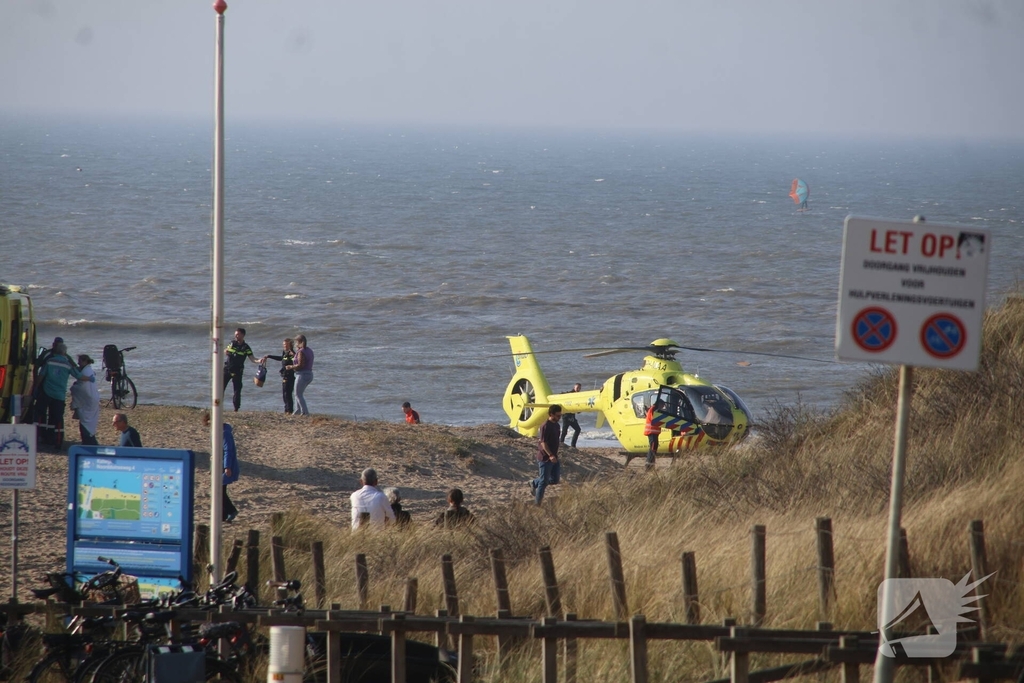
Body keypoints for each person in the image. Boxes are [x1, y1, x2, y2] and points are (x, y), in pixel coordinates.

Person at [34, 341, 90, 448]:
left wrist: (36, 387)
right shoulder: (67, 364)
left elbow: (41, 375)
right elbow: (78, 376)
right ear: (64, 353)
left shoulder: (50, 361)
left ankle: (38, 437)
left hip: (46, 392)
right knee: (58, 418)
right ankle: (58, 441)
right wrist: (90, 379)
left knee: (40, 414)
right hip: (59, 395)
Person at [203, 412, 239, 522]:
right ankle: (223, 515)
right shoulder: (216, 432)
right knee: (219, 490)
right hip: (218, 465)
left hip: (224, 466)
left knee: (219, 491)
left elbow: (228, 451)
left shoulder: (224, 433)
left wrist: (227, 467)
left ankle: (231, 511)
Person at [530, 404, 561, 505]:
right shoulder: (545, 425)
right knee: (543, 482)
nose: (559, 418)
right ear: (551, 414)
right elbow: (543, 442)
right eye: (557, 416)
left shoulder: (557, 425)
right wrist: (550, 455)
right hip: (545, 457)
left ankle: (534, 482)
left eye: (560, 416)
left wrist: (555, 455)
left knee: (555, 479)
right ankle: (537, 505)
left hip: (554, 456)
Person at [223, 328, 259, 412]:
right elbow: (226, 350)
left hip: (237, 371)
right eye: (235, 334)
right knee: (221, 388)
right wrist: (226, 351)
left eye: (238, 334)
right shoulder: (232, 343)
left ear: (243, 335)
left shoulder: (246, 347)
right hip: (227, 369)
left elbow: (252, 359)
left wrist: (259, 361)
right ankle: (218, 406)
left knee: (237, 390)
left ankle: (236, 408)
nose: (236, 336)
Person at [69, 354, 101, 446]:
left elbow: (83, 388)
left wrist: (73, 387)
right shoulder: (87, 370)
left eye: (80, 361)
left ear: (85, 362)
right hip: (92, 400)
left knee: (86, 423)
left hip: (88, 402)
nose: (78, 363)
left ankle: (89, 443)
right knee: (88, 423)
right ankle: (89, 441)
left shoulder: (86, 372)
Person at [261, 338, 296, 414]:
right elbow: (281, 358)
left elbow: (296, 362)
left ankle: (289, 410)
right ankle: (286, 409)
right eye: (283, 345)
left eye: (286, 345)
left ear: (290, 345)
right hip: (284, 375)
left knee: (288, 394)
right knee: (284, 394)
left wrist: (294, 356)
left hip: (290, 376)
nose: (284, 346)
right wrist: (269, 356)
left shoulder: (292, 353)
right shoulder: (285, 352)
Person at [288, 334, 314, 416]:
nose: (295, 344)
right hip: (309, 374)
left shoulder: (301, 352)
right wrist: (294, 355)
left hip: (302, 374)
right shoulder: (309, 350)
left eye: (296, 342)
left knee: (298, 394)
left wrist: (290, 367)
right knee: (298, 393)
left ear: (299, 342)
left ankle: (305, 412)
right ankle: (297, 411)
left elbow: (300, 365)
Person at [560, 383, 582, 449]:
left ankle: (573, 445)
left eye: (579, 388)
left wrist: (579, 410)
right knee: (564, 431)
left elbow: (576, 405)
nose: (578, 389)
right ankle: (561, 443)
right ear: (574, 387)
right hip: (566, 415)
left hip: (572, 416)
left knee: (578, 429)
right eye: (577, 388)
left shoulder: (578, 395)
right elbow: (563, 395)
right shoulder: (570, 393)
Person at [644, 400, 664, 470]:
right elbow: (654, 419)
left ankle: (651, 464)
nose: (662, 407)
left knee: (654, 448)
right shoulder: (654, 409)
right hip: (652, 432)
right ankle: (649, 464)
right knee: (652, 448)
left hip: (654, 432)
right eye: (662, 405)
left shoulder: (653, 409)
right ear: (659, 404)